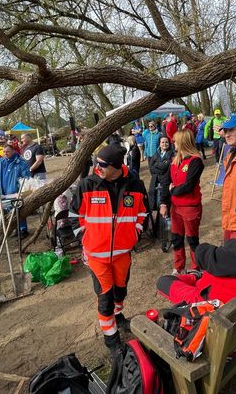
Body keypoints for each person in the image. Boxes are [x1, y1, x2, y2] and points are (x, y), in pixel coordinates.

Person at [70, 144, 148, 356]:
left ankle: (118, 315)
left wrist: (136, 233)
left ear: (116, 166)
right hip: (96, 256)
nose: (98, 167)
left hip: (123, 254)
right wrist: (84, 238)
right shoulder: (87, 184)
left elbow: (143, 212)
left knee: (120, 290)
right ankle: (111, 339)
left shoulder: (135, 184)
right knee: (105, 299)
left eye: (103, 165)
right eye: (97, 163)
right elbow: (74, 215)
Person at [157, 198, 236, 304]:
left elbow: (201, 255)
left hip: (210, 301)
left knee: (164, 281)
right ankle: (196, 276)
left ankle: (195, 276)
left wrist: (205, 248)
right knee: (192, 276)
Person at [159, 130, 204, 275]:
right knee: (176, 238)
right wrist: (164, 203)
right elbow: (166, 182)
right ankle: (179, 267)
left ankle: (196, 268)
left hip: (190, 207)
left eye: (176, 141)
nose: (173, 143)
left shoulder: (195, 161)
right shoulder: (174, 161)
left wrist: (174, 190)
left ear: (183, 142)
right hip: (176, 208)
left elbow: (188, 185)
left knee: (192, 239)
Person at [0, 145, 31, 237]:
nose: (5, 153)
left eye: (7, 151)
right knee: (10, 211)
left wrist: (22, 190)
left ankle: (23, 230)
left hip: (16, 191)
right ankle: (16, 229)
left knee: (18, 211)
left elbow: (26, 177)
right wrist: (0, 188)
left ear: (13, 151)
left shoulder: (21, 162)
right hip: (5, 191)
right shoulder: (2, 161)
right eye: (4, 152)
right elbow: (0, 176)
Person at [148, 136, 175, 218]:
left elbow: (165, 166)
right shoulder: (156, 154)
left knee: (166, 202)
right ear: (159, 144)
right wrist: (161, 170)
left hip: (167, 181)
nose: (164, 144)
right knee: (156, 202)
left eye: (166, 142)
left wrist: (157, 165)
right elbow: (151, 168)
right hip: (156, 182)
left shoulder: (172, 154)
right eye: (162, 142)